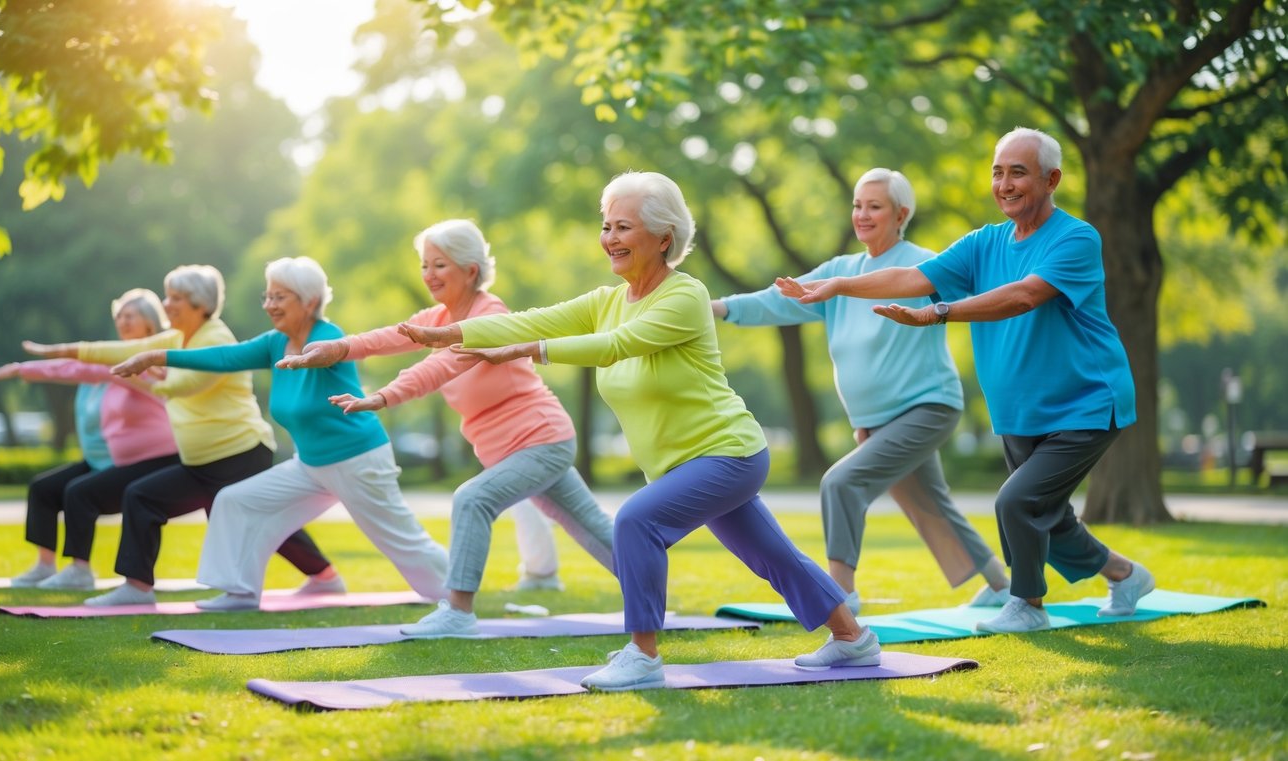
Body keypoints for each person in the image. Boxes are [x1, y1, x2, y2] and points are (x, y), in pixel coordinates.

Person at [399, 173, 877, 691]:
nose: (610, 238)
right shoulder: (607, 301)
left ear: (664, 237)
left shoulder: (685, 296)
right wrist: (446, 332)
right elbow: (529, 321)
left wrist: (530, 351)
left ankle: (643, 655)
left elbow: (616, 345)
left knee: (636, 521)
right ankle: (852, 637)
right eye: (606, 226)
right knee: (772, 556)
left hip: (727, 453)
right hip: (682, 464)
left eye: (623, 227)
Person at [779, 128, 1154, 633]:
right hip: (1020, 409)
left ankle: (1027, 604)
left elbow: (1023, 296)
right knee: (1050, 517)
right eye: (998, 172)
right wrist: (840, 285)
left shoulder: (1077, 238)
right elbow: (913, 276)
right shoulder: (984, 243)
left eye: (1018, 172)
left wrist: (939, 312)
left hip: (1085, 401)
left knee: (1017, 502)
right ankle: (1126, 576)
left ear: (1051, 180)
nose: (1005, 184)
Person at [277, 221, 614, 633]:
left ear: (470, 271)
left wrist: (382, 396)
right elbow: (390, 337)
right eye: (425, 265)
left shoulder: (490, 315)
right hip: (516, 449)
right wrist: (337, 348)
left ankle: (457, 612)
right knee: (595, 530)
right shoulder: (438, 317)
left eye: (440, 265)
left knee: (472, 499)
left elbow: (442, 366)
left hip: (540, 440)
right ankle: (652, 593)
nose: (429, 274)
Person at [713, 168, 1010, 614]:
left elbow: (982, 296)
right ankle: (1001, 586)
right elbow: (781, 300)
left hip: (927, 407)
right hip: (876, 421)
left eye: (875, 206)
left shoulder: (924, 265)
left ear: (901, 215)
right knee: (931, 502)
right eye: (857, 205)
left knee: (841, 483)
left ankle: (841, 594)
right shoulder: (841, 272)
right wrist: (718, 307)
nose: (862, 215)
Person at [111, 257, 449, 610]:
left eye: (280, 297)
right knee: (236, 501)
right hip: (310, 465)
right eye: (268, 296)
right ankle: (240, 592)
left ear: (310, 302)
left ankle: (455, 596)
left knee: (401, 540)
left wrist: (315, 356)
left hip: (357, 461)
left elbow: (329, 352)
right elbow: (226, 357)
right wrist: (157, 356)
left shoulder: (328, 337)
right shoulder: (276, 342)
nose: (270, 305)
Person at [23, 265, 340, 606]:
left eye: (175, 298)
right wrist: (64, 350)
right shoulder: (178, 337)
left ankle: (324, 577)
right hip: (200, 461)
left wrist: (140, 375)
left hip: (239, 454)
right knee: (142, 497)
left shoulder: (215, 338)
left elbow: (184, 385)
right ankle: (137, 588)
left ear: (199, 304)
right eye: (167, 296)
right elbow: (121, 350)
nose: (166, 304)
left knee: (259, 519)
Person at [0, 289, 179, 589]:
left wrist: (43, 361)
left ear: (150, 322)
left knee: (79, 493)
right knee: (43, 489)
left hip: (156, 461)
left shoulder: (152, 364)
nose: (123, 321)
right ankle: (44, 566)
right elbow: (75, 369)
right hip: (116, 461)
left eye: (130, 316)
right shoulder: (116, 362)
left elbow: (81, 366)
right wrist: (22, 369)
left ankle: (80, 571)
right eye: (119, 316)